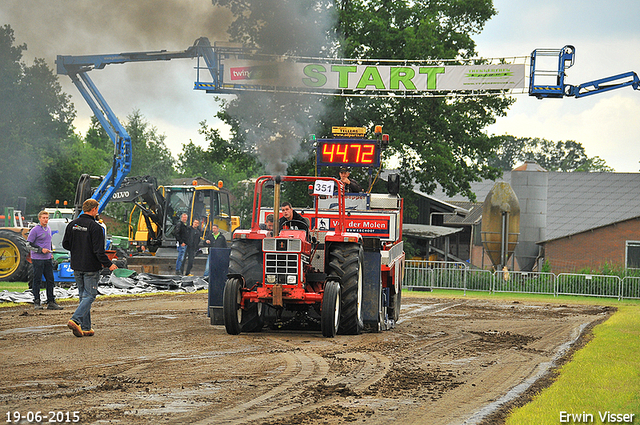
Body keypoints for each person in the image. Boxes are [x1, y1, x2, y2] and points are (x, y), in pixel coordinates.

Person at [63, 199, 117, 337]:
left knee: (83, 296)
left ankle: (86, 328)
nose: (97, 211)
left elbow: (65, 244)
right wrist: (109, 264)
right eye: (97, 209)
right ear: (93, 209)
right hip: (90, 267)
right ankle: (75, 320)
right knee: (90, 295)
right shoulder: (95, 227)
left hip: (76, 265)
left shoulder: (72, 225)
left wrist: (78, 249)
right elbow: (99, 251)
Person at [27, 210, 62, 310]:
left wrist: (50, 252)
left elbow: (48, 241)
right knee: (37, 280)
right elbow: (28, 244)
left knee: (50, 280)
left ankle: (51, 301)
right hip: (37, 259)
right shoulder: (35, 230)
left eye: (47, 218)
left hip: (47, 259)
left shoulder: (49, 228)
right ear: (39, 218)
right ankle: (37, 301)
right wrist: (40, 250)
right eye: (44, 218)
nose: (45, 220)